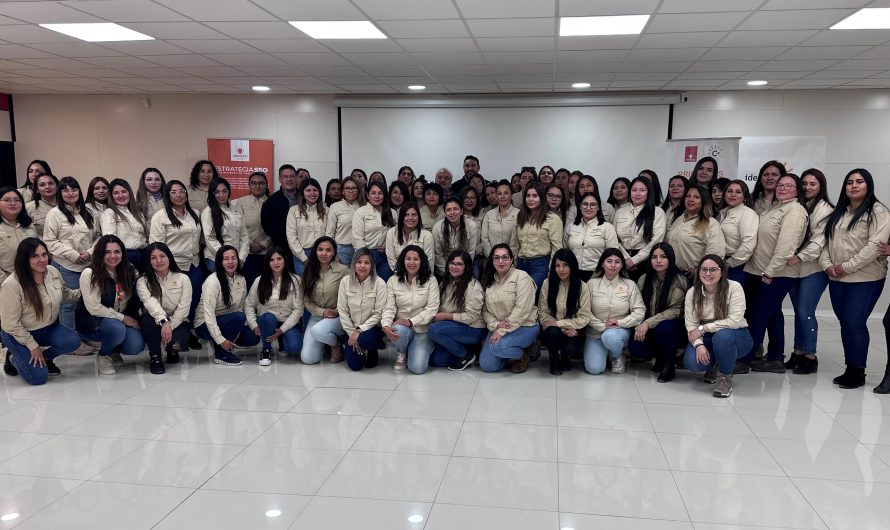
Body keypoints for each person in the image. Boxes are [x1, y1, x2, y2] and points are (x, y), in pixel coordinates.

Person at [821, 169, 890, 389]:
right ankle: (850, 367)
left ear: (868, 185)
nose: (854, 185)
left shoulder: (878, 211)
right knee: (845, 323)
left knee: (854, 322)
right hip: (837, 277)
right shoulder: (839, 212)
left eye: (860, 182)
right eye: (849, 182)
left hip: (866, 277)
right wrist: (828, 265)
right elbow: (825, 243)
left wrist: (846, 267)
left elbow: (874, 247)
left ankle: (858, 371)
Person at [737, 173, 808, 374]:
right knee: (772, 313)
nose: (783, 188)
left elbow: (786, 246)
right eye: (780, 185)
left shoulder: (794, 211)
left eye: (789, 185)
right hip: (757, 269)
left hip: (776, 273)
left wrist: (770, 271)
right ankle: (776, 358)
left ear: (797, 190)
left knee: (757, 315)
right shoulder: (774, 208)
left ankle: (743, 360)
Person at [0, 237, 81, 384]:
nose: (42, 260)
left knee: (73, 341)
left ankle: (43, 358)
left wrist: (88, 291)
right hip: (18, 334)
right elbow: (9, 324)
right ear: (24, 259)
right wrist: (33, 346)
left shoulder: (52, 271)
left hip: (47, 328)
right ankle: (13, 358)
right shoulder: (12, 285)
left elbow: (67, 295)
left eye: (44, 254)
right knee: (38, 378)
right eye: (35, 256)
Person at [786, 169, 835, 375]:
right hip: (794, 268)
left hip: (814, 268)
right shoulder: (797, 205)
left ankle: (810, 356)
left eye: (812, 184)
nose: (807, 187)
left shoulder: (825, 209)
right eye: (804, 183)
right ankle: (798, 352)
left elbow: (818, 242)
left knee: (806, 312)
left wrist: (799, 257)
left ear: (821, 186)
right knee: (798, 312)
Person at [684, 254, 753, 398]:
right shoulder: (692, 292)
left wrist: (703, 328)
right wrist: (699, 346)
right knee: (692, 363)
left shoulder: (734, 287)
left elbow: (734, 321)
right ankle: (719, 362)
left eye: (713, 270)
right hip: (707, 337)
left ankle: (724, 378)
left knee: (722, 336)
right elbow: (691, 325)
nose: (708, 273)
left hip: (736, 335)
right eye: (704, 269)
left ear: (722, 271)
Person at [76, 235, 145, 376]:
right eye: (107, 252)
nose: (113, 256)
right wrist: (123, 318)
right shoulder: (89, 273)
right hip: (93, 322)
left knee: (135, 345)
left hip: (118, 320)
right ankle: (104, 354)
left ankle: (112, 348)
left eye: (117, 252)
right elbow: (94, 308)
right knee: (116, 328)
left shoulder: (129, 269)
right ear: (100, 253)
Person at [43, 176, 97, 330]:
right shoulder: (55, 213)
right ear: (60, 193)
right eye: (65, 190)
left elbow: (99, 236)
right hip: (66, 266)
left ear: (79, 191)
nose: (70, 193)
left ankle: (83, 336)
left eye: (74, 189)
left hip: (87, 265)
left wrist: (89, 252)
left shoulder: (88, 212)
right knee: (68, 305)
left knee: (85, 302)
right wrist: (74, 255)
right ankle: (71, 342)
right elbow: (50, 241)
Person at [629, 243, 688, 382]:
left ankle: (669, 366)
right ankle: (660, 357)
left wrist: (647, 323)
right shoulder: (644, 279)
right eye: (654, 257)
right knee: (636, 348)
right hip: (650, 324)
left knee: (665, 328)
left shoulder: (680, 280)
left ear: (671, 259)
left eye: (663, 257)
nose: (658, 261)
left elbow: (676, 310)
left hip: (674, 327)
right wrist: (639, 324)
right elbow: (638, 306)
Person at [194, 245, 260, 366]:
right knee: (238, 317)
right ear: (220, 261)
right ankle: (221, 353)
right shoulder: (212, 281)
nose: (231, 262)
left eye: (233, 258)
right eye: (226, 259)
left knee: (253, 338)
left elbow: (242, 306)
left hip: (230, 321)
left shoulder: (241, 278)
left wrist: (240, 328)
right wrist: (221, 340)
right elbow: (209, 315)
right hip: (205, 325)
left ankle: (225, 341)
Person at [478, 244, 539, 373]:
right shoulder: (488, 281)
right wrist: (496, 325)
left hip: (524, 325)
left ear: (512, 259)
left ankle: (524, 354)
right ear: (492, 261)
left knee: (498, 347)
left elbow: (522, 309)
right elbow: (484, 310)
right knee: (487, 366)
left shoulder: (522, 277)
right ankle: (509, 353)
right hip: (498, 326)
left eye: (505, 257)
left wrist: (501, 331)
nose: (501, 261)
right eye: (497, 258)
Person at [584, 248, 645, 375]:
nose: (613, 265)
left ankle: (617, 355)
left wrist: (619, 323)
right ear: (602, 263)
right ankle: (607, 352)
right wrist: (602, 326)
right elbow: (584, 311)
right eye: (609, 261)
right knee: (594, 369)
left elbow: (639, 311)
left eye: (617, 262)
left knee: (610, 336)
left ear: (622, 265)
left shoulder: (630, 285)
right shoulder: (591, 284)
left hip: (619, 332)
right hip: (595, 333)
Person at [149, 180, 202, 325]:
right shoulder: (161, 216)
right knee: (175, 300)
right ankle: (171, 327)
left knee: (194, 298)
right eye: (173, 192)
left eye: (182, 191)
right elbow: (155, 245)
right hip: (174, 265)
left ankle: (189, 328)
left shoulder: (195, 213)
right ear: (167, 195)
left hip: (194, 263)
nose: (179, 195)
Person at [381, 245, 439, 373]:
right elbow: (389, 307)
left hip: (422, 328)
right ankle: (402, 351)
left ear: (422, 261)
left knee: (417, 368)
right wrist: (385, 326)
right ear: (403, 260)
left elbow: (432, 309)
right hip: (402, 327)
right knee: (398, 330)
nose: (411, 263)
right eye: (408, 259)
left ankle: (424, 346)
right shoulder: (393, 280)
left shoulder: (431, 280)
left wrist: (411, 321)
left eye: (416, 259)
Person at [137, 242, 192, 374]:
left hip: (176, 321)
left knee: (178, 344)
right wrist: (164, 322)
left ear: (169, 257)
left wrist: (169, 326)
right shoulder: (143, 281)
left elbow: (183, 309)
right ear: (148, 261)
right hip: (154, 320)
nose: (159, 261)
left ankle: (171, 350)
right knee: (148, 320)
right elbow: (151, 304)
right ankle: (155, 356)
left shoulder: (183, 278)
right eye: (153, 257)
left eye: (162, 256)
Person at [428, 250, 486, 370]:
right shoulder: (445, 282)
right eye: (452, 263)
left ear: (466, 267)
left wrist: (446, 316)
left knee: (434, 330)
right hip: (453, 327)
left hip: (473, 329)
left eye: (459, 264)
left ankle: (466, 355)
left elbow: (471, 317)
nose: (454, 267)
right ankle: (469, 349)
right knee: (437, 361)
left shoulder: (473, 286)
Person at [245, 247, 303, 366]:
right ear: (267, 262)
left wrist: (282, 330)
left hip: (286, 321)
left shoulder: (296, 280)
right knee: (269, 318)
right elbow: (249, 305)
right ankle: (266, 349)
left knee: (295, 347)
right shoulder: (259, 281)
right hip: (266, 320)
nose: (276, 263)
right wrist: (253, 325)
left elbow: (298, 309)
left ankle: (282, 339)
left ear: (285, 260)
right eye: (272, 260)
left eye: (279, 259)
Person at [539, 249, 592, 375]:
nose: (561, 269)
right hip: (554, 329)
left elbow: (584, 317)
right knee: (552, 332)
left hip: (574, 329)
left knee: (571, 348)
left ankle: (565, 356)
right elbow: (543, 312)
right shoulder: (547, 283)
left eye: (565, 265)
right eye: (557, 266)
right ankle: (554, 358)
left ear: (572, 266)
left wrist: (560, 324)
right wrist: (561, 328)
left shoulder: (582, 286)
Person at [301, 236, 349, 365]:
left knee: (318, 331)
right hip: (318, 316)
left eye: (328, 250)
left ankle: (335, 344)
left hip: (338, 317)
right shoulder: (309, 270)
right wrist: (322, 312)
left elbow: (349, 298)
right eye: (320, 249)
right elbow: (306, 301)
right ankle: (327, 342)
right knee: (308, 358)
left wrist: (336, 312)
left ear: (333, 252)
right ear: (315, 251)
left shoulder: (343, 271)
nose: (324, 253)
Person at [338, 248, 387, 372]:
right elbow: (342, 310)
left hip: (372, 328)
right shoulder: (345, 281)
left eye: (367, 262)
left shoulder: (379, 283)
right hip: (351, 328)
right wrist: (351, 333)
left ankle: (373, 349)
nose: (362, 266)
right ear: (353, 263)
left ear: (372, 265)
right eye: (359, 262)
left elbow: (378, 314)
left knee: (364, 339)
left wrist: (359, 331)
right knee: (355, 366)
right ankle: (355, 343)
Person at [510, 181, 563, 293]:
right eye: (528, 196)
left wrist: (552, 268)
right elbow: (514, 244)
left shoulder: (552, 219)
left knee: (530, 292)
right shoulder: (520, 216)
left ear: (542, 198)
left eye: (535, 196)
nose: (531, 199)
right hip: (521, 263)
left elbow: (557, 247)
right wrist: (512, 266)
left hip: (540, 265)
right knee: (519, 295)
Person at [666, 184, 726, 277]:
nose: (690, 199)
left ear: (704, 201)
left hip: (695, 276)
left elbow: (716, 253)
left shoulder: (710, 223)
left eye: (696, 197)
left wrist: (699, 270)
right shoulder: (679, 219)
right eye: (688, 196)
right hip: (673, 273)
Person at [614, 176, 666, 282]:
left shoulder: (657, 212)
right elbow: (613, 237)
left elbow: (656, 240)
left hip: (645, 261)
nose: (637, 194)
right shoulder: (620, 211)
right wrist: (625, 258)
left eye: (642, 190)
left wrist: (634, 260)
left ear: (648, 192)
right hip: (622, 259)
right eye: (634, 190)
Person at [565, 192, 619, 282]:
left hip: (597, 274)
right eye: (585, 204)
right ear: (580, 206)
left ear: (598, 208)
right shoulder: (571, 226)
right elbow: (565, 250)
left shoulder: (607, 227)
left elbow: (613, 254)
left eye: (593, 205)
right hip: (573, 273)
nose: (588, 208)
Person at [202, 177, 249, 273]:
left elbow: (244, 236)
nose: (221, 195)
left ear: (229, 192)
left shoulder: (235, 209)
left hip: (235, 260)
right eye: (217, 192)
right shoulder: (208, 211)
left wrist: (241, 257)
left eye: (224, 191)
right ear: (212, 193)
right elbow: (210, 238)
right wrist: (226, 258)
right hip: (216, 259)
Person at [233, 171, 271, 289]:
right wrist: (250, 244)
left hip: (268, 252)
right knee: (248, 285)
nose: (257, 186)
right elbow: (237, 227)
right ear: (249, 185)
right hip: (247, 253)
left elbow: (277, 228)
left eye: (261, 183)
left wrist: (264, 244)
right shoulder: (241, 202)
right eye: (253, 183)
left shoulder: (272, 201)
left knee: (265, 286)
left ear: (266, 185)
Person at [100, 179, 148, 272]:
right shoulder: (109, 213)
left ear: (129, 193)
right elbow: (110, 241)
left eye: (124, 191)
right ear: (111, 196)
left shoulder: (138, 214)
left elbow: (146, 236)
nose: (121, 195)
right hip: (125, 257)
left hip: (143, 255)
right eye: (116, 193)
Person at [352, 180, 395, 281]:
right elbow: (358, 238)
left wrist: (387, 246)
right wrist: (365, 258)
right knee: (368, 285)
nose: (377, 196)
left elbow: (395, 234)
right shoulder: (361, 212)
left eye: (380, 193)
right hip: (367, 254)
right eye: (373, 193)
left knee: (385, 284)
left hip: (385, 254)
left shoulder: (391, 212)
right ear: (367, 195)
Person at [261, 164, 300, 270]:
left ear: (296, 178)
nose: (289, 179)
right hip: (283, 250)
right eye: (285, 176)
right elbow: (266, 224)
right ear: (279, 179)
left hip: (305, 247)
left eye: (292, 176)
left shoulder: (305, 197)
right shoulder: (271, 202)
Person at [719, 180, 759, 283]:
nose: (733, 194)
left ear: (744, 196)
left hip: (736, 266)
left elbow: (748, 245)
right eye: (730, 191)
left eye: (738, 192)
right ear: (724, 195)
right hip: (720, 263)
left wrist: (729, 264)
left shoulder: (748, 214)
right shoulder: (722, 213)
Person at [286, 178, 327, 276]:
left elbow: (330, 234)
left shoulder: (327, 211)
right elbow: (291, 236)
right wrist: (304, 258)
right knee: (304, 286)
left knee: (322, 285)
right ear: (302, 193)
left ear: (319, 192)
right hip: (301, 254)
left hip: (322, 253)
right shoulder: (294, 210)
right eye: (308, 190)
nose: (312, 193)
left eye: (315, 190)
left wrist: (325, 253)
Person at [0, 188, 37, 288]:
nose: (13, 203)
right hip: (6, 283)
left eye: (17, 200)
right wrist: (6, 283)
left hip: (33, 280)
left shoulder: (29, 224)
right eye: (6, 200)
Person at [432, 197, 478, 277]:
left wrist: (461, 269)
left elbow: (471, 251)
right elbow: (438, 255)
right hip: (445, 268)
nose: (452, 212)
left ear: (461, 211)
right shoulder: (437, 228)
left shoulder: (472, 226)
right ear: (444, 213)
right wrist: (449, 271)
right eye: (448, 210)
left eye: (455, 209)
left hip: (465, 265)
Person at [326, 176, 363, 266]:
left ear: (358, 190)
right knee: (343, 279)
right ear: (342, 191)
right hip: (342, 250)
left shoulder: (364, 206)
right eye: (347, 188)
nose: (350, 190)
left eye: (354, 188)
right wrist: (333, 254)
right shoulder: (335, 207)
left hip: (361, 249)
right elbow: (329, 232)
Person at [480, 180, 519, 261]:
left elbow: (520, 240)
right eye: (499, 193)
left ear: (511, 195)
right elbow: (484, 238)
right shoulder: (489, 215)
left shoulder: (519, 214)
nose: (502, 196)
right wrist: (494, 258)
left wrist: (510, 259)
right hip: (491, 260)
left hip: (513, 261)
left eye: (506, 193)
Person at [26, 172, 58, 236]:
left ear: (57, 186)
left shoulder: (67, 205)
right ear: (37, 190)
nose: (47, 187)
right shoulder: (29, 207)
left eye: (51, 183)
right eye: (42, 185)